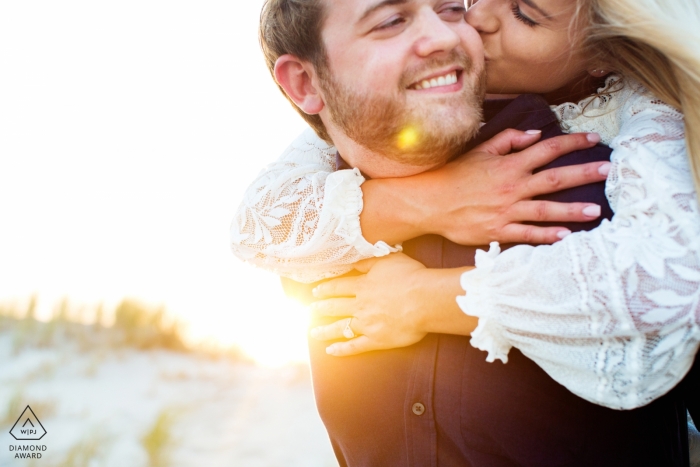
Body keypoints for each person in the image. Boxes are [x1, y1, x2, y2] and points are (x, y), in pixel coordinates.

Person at [233, 0, 699, 464]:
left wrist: (424, 297)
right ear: (304, 83)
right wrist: (428, 202)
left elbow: (668, 291)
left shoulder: (621, 189)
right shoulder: (312, 224)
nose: (467, 26)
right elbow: (254, 227)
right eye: (393, 20)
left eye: (450, 9)